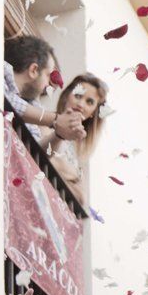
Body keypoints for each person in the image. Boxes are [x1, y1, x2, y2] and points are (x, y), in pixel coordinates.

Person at [41, 73, 109, 205]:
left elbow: (81, 198)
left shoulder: (81, 150)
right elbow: (40, 156)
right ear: (66, 95)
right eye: (78, 95)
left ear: (94, 112)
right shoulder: (45, 121)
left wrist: (62, 168)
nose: (81, 104)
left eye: (89, 102)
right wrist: (74, 177)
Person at [4, 36, 85, 144]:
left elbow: (35, 150)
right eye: (48, 75)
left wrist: (59, 135)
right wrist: (56, 119)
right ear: (34, 70)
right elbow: (6, 100)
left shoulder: (30, 104)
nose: (48, 85)